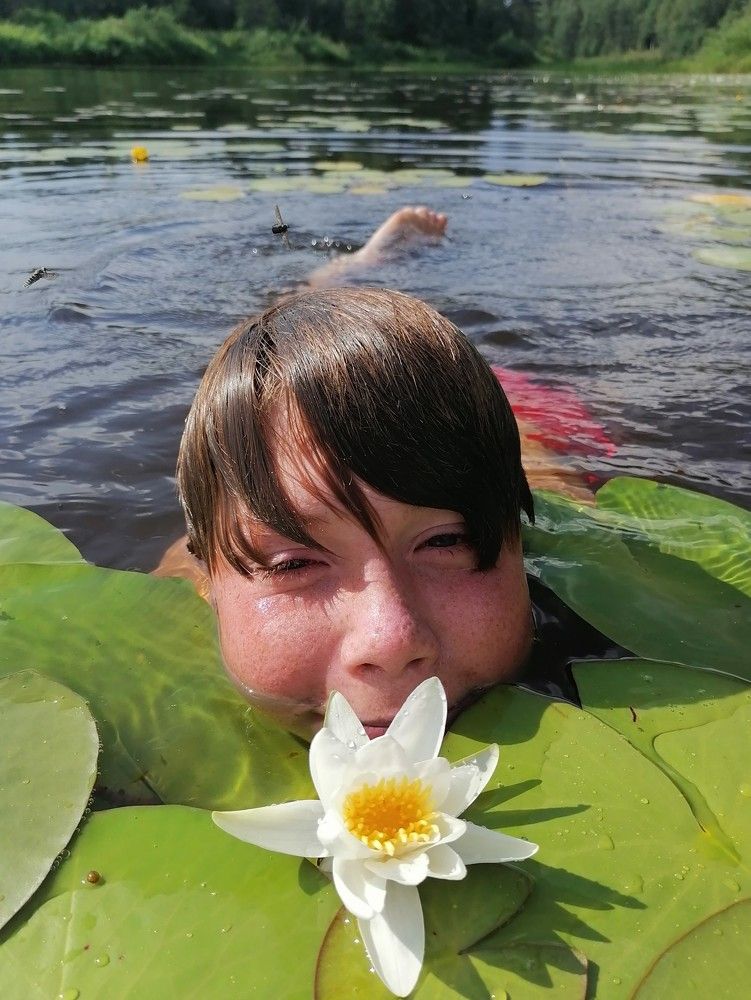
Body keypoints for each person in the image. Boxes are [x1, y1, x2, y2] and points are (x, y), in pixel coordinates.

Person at [160, 207, 622, 736]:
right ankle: (363, 262)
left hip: (512, 409)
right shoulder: (196, 572)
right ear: (209, 578)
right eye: (293, 564)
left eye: (447, 540)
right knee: (284, 324)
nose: (392, 642)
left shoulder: (596, 606)